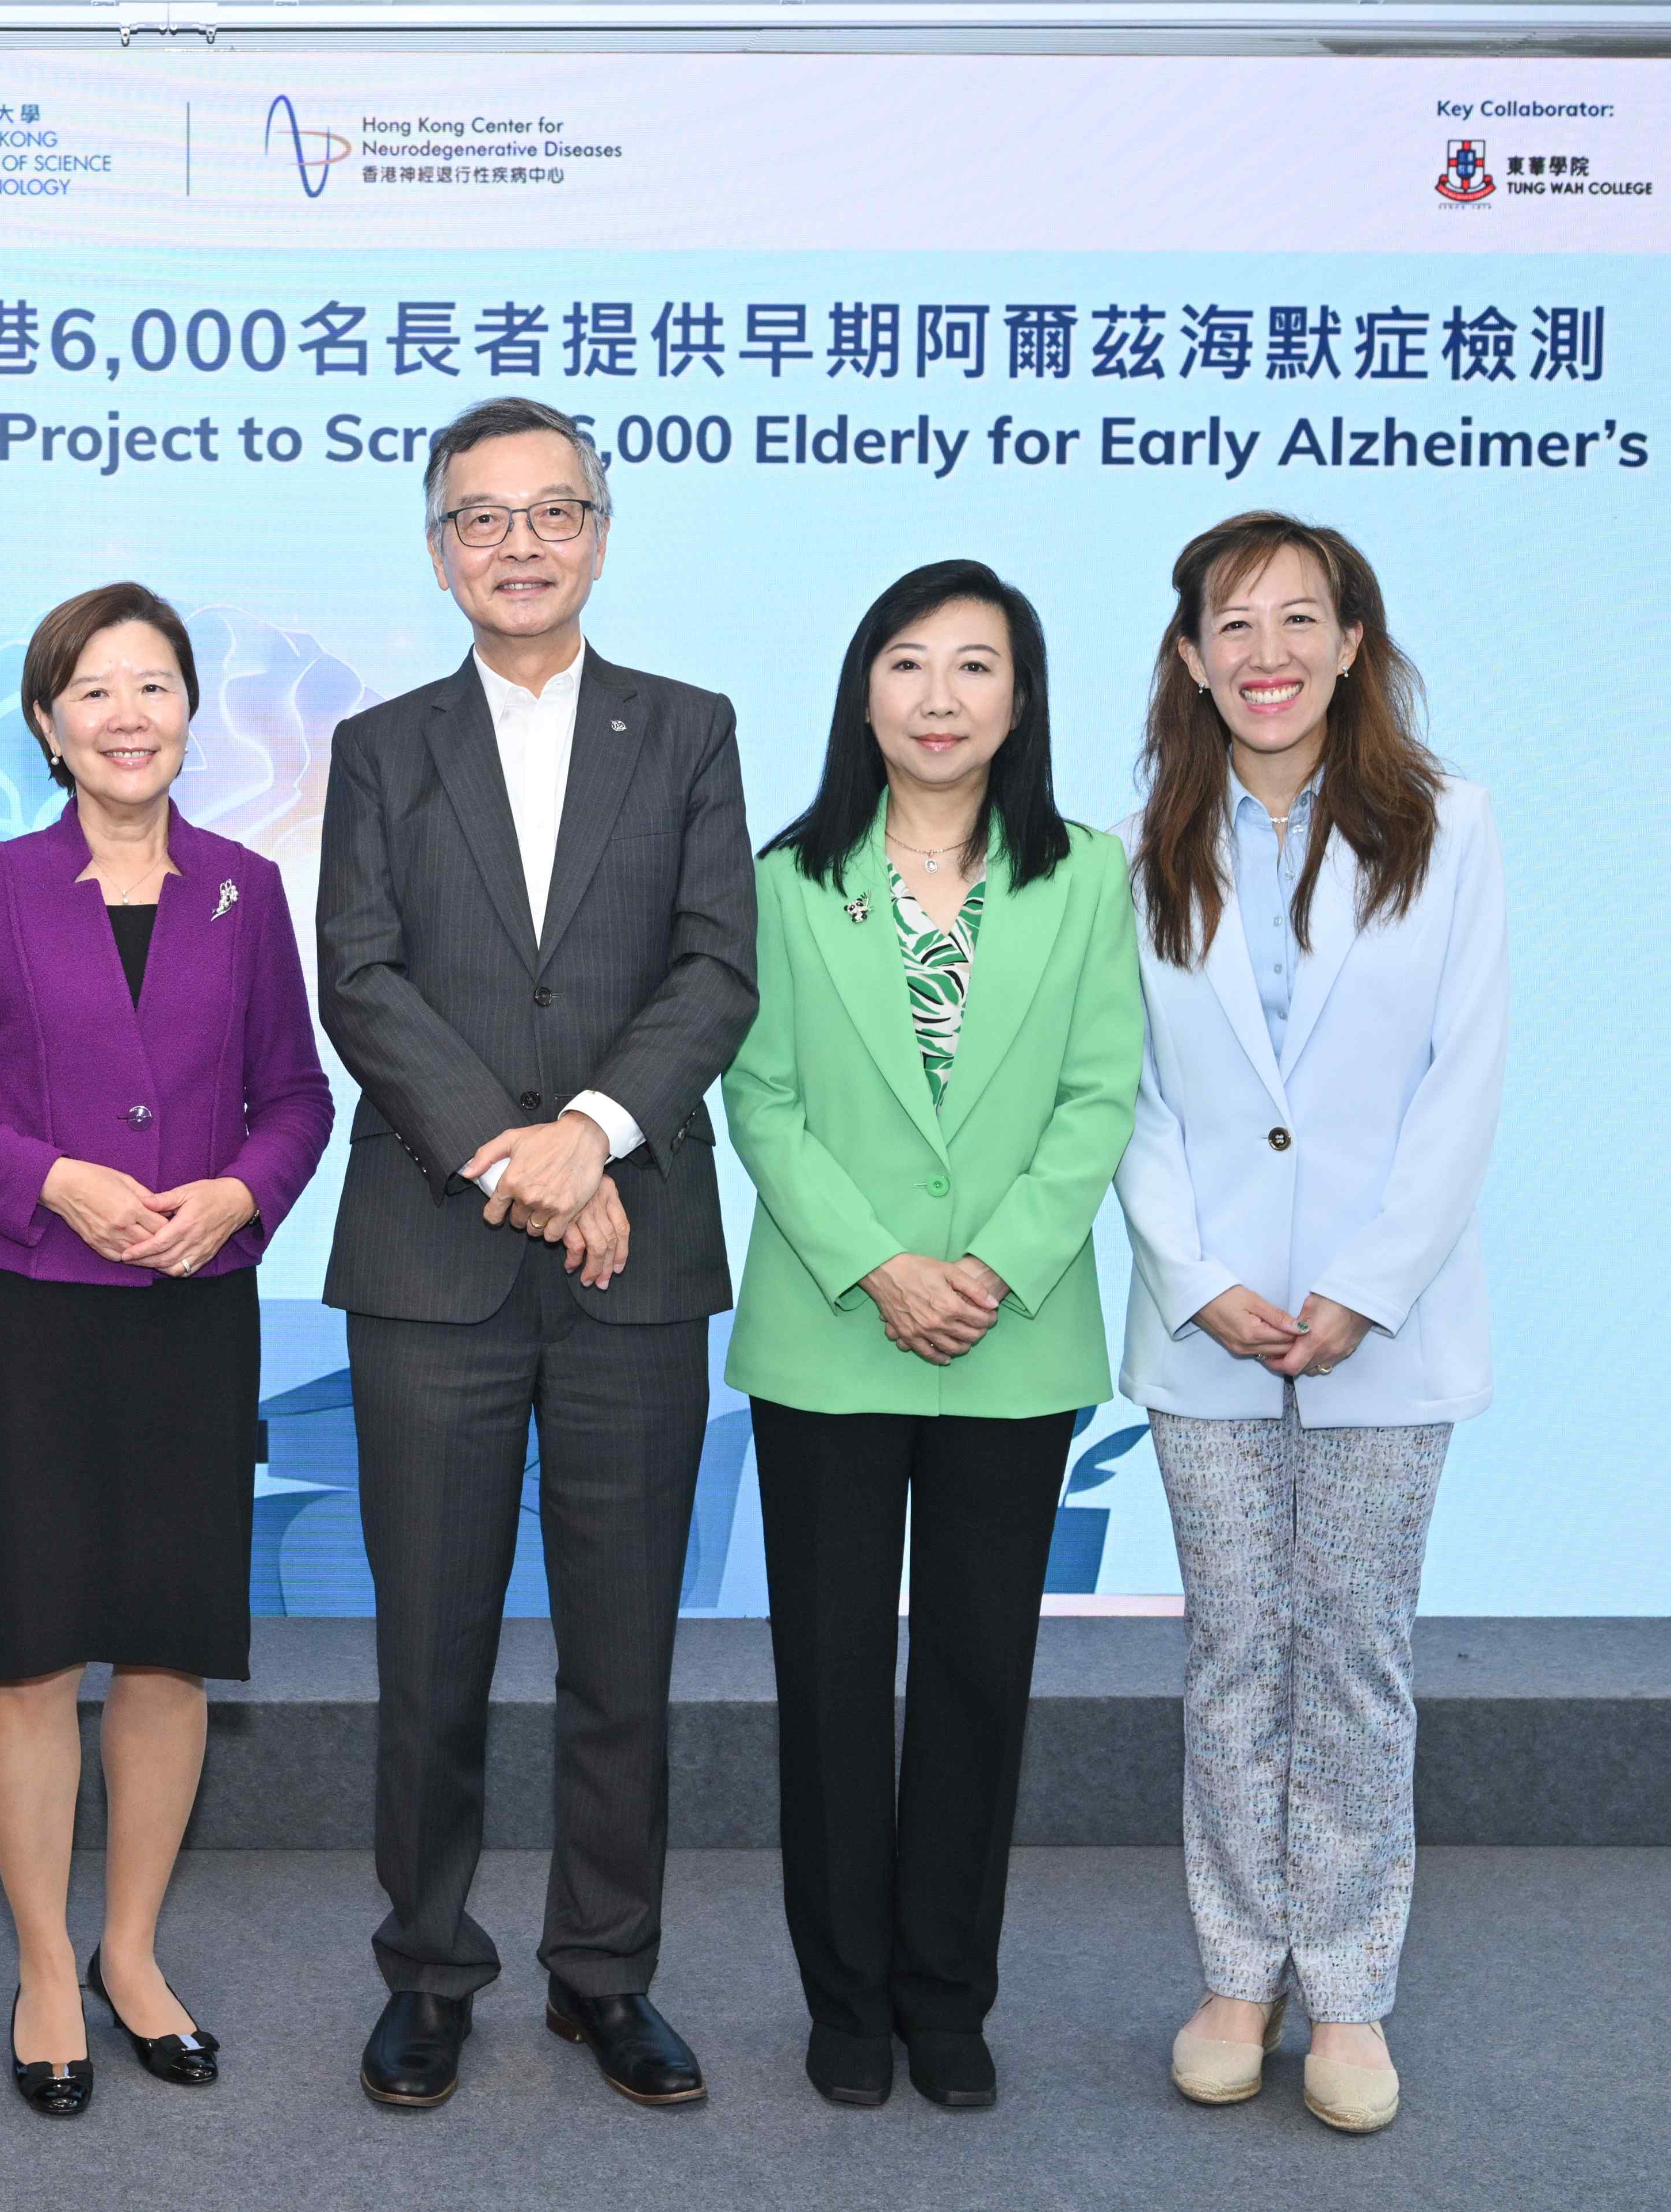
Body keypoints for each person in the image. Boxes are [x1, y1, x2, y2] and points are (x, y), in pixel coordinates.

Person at [316, 396, 757, 2111]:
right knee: (428, 1650)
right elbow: (364, 977)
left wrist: (597, 1131)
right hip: (436, 1259)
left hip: (632, 1259)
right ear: (438, 549)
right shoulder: (380, 744)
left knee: (622, 1649)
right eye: (480, 518)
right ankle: (428, 1970)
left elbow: (716, 966)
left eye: (552, 511)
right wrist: (527, 1155)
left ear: (601, 530)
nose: (519, 543)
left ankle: (605, 1972)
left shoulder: (693, 730)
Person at [0, 583, 334, 2117]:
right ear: (47, 724)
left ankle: (132, 1950)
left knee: (165, 1645)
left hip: (193, 1311)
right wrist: (48, 1174)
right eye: (95, 690)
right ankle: (45, 1966)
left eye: (155, 685)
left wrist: (240, 1193)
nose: (128, 713)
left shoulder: (247, 888)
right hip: (28, 1314)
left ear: (193, 711)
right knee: (27, 1651)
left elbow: (299, 1099)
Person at [722, 561, 1141, 2112]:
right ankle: (845, 1996)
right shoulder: (784, 877)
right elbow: (754, 1096)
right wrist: (880, 1261)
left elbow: (1104, 1090)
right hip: (834, 1327)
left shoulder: (1088, 872)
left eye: (978, 665)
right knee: (829, 1677)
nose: (943, 695)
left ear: (1021, 699)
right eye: (910, 663)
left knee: (980, 1668)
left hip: (1012, 1336)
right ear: (864, 691)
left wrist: (999, 1260)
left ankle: (948, 1993)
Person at [1117, 514, 1504, 2137]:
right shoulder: (1142, 843)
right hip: (1208, 1320)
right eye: (1233, 623)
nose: (1266, 651)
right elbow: (1124, 1093)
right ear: (1194, 658)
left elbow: (1461, 1078)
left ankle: (1347, 1990)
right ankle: (1235, 1970)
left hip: (1384, 1327)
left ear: (1354, 641)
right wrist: (1195, 1272)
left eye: (1300, 619)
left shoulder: (1451, 825)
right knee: (1233, 1657)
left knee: (1350, 1657)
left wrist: (1368, 1282)